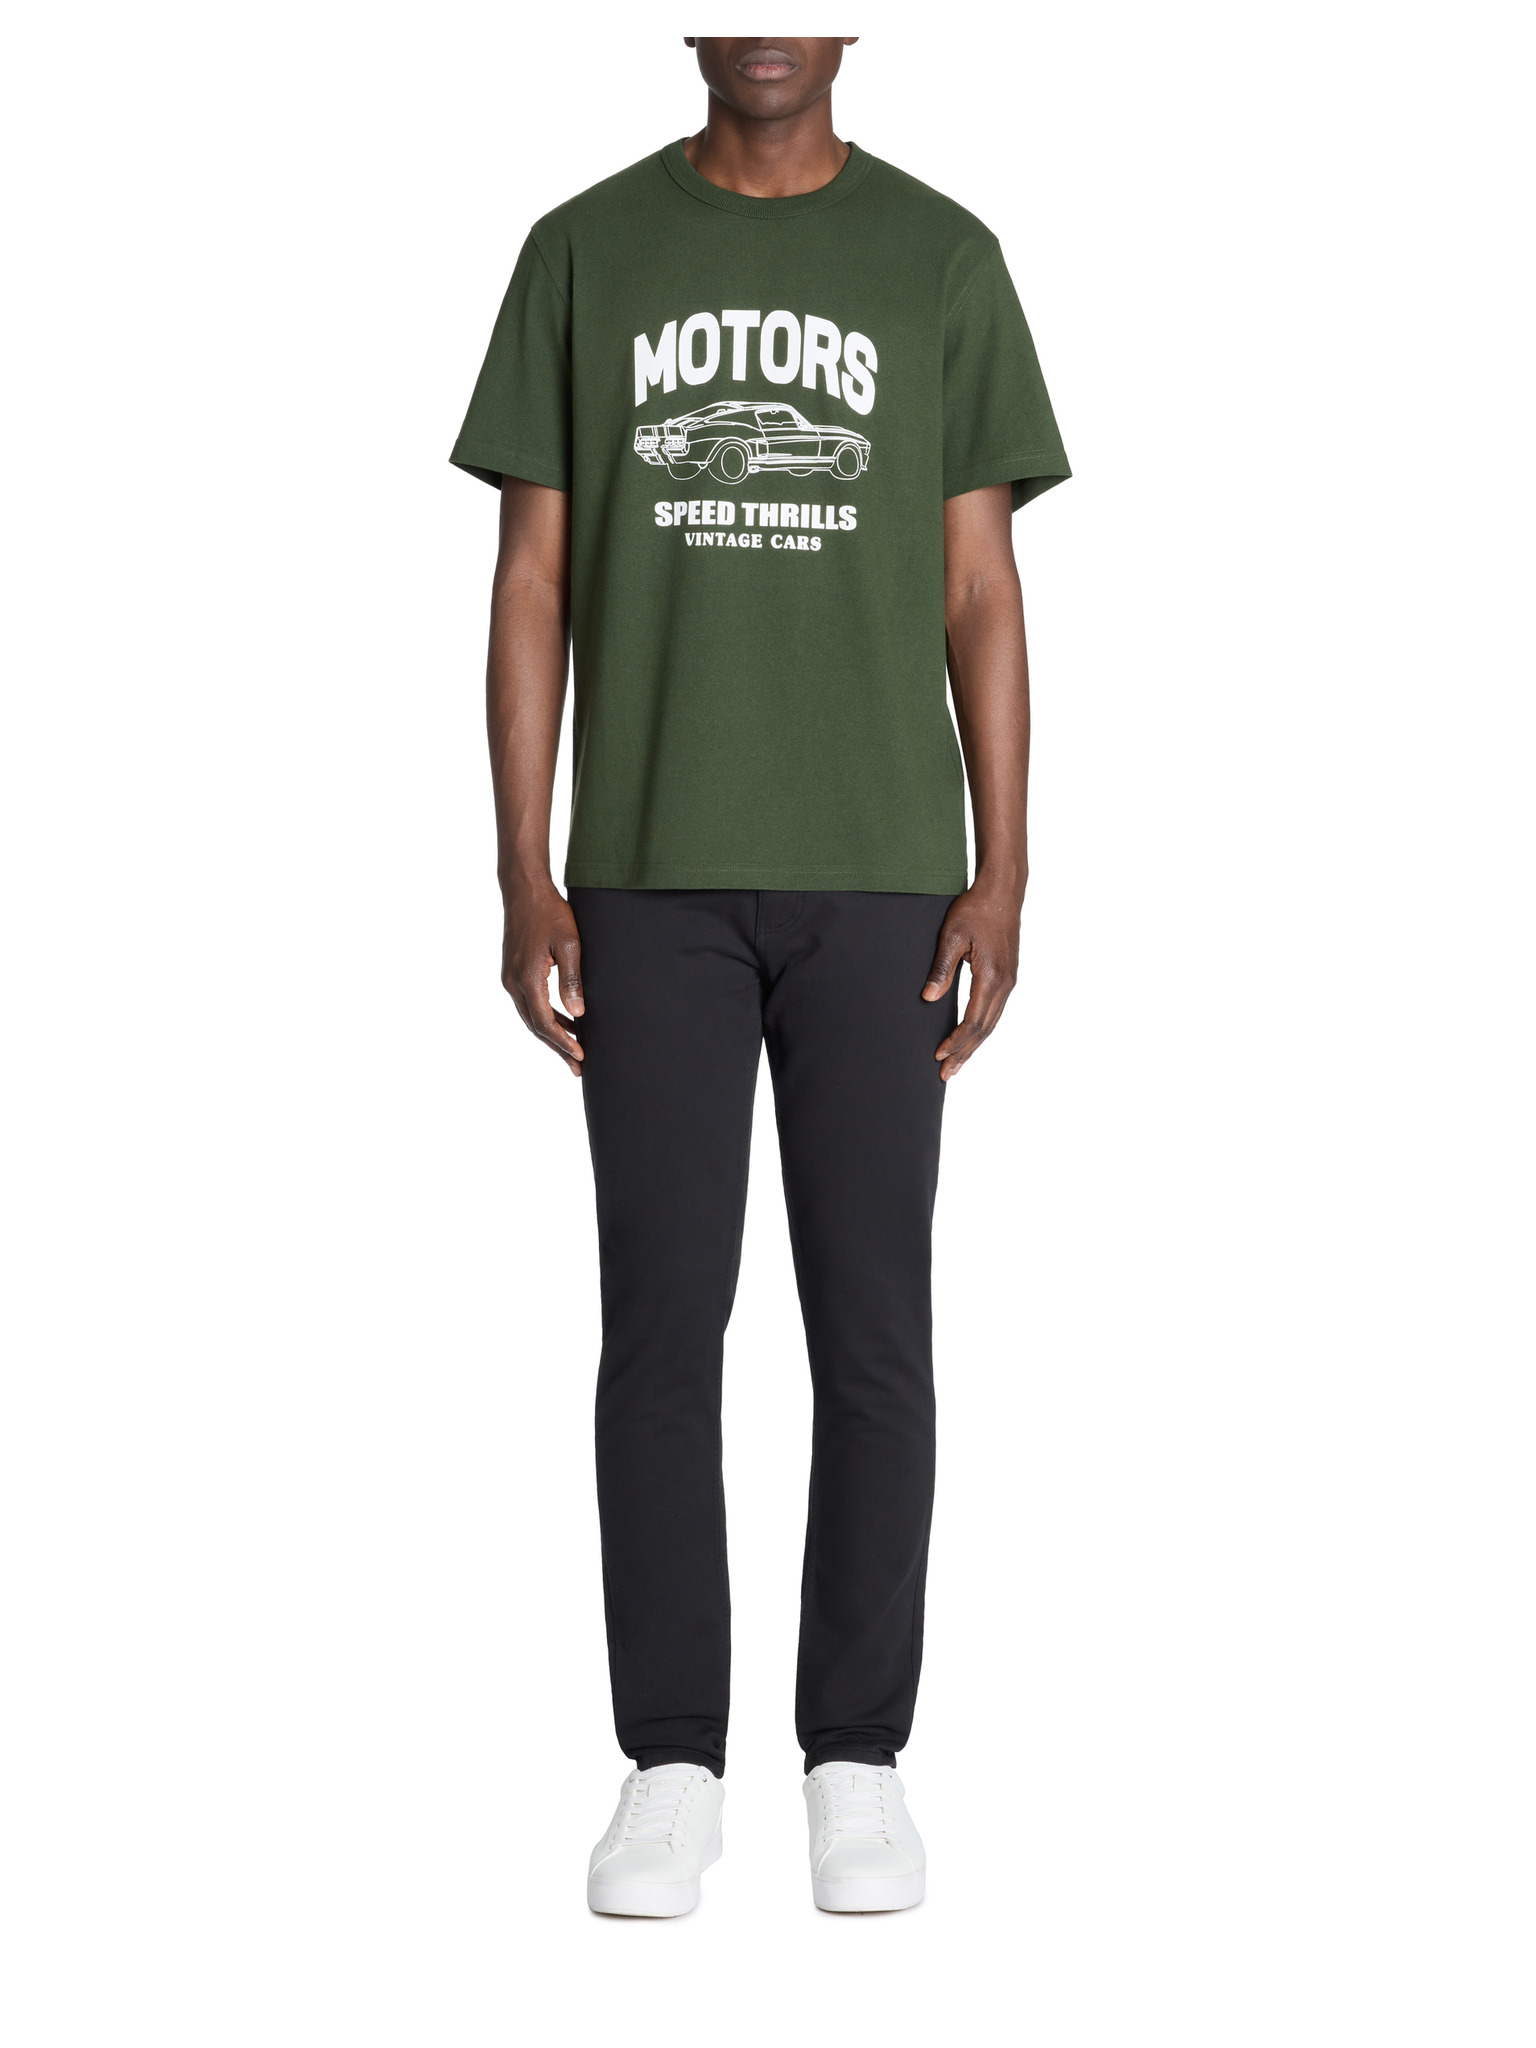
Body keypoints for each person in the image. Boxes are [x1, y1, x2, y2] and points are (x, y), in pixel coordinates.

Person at [451, 35, 1068, 1916]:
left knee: (875, 1332)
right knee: (662, 1331)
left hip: (884, 875)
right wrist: (523, 866)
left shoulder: (942, 259)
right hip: (648, 874)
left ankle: (857, 1759)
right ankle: (669, 1763)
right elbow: (534, 577)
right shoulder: (582, 251)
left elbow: (981, 585)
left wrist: (1004, 868)